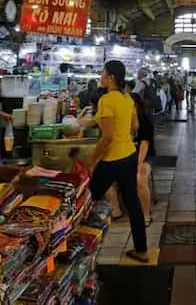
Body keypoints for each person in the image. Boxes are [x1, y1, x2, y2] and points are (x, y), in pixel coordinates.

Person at [77, 60, 148, 262]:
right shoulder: (127, 99)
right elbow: (134, 126)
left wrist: (91, 161)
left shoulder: (107, 100)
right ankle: (141, 250)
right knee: (133, 203)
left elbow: (106, 138)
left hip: (112, 159)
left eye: (103, 73)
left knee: (86, 199)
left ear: (111, 78)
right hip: (129, 156)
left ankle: (75, 245)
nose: (100, 76)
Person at [132, 93, 155, 226]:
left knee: (140, 177)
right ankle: (115, 210)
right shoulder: (121, 120)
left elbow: (144, 145)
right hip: (125, 156)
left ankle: (146, 214)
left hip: (145, 156)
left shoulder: (144, 120)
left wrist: (138, 162)